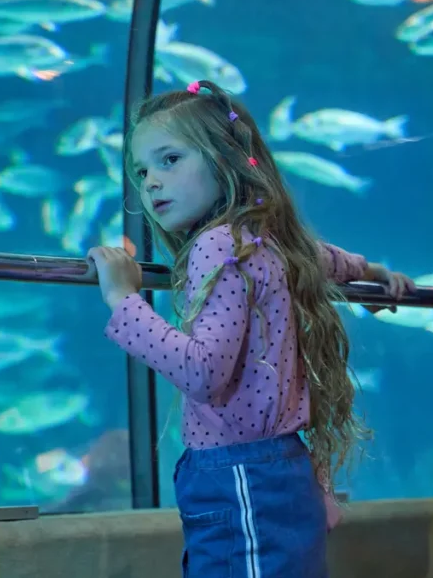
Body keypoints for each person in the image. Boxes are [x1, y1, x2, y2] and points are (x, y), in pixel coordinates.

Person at [84, 80, 415, 577]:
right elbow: (325, 259)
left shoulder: (218, 246)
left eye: (170, 159)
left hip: (239, 475)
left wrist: (123, 298)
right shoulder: (264, 242)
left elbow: (202, 372)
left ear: (227, 158)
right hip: (277, 468)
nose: (150, 181)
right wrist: (373, 273)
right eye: (141, 169)